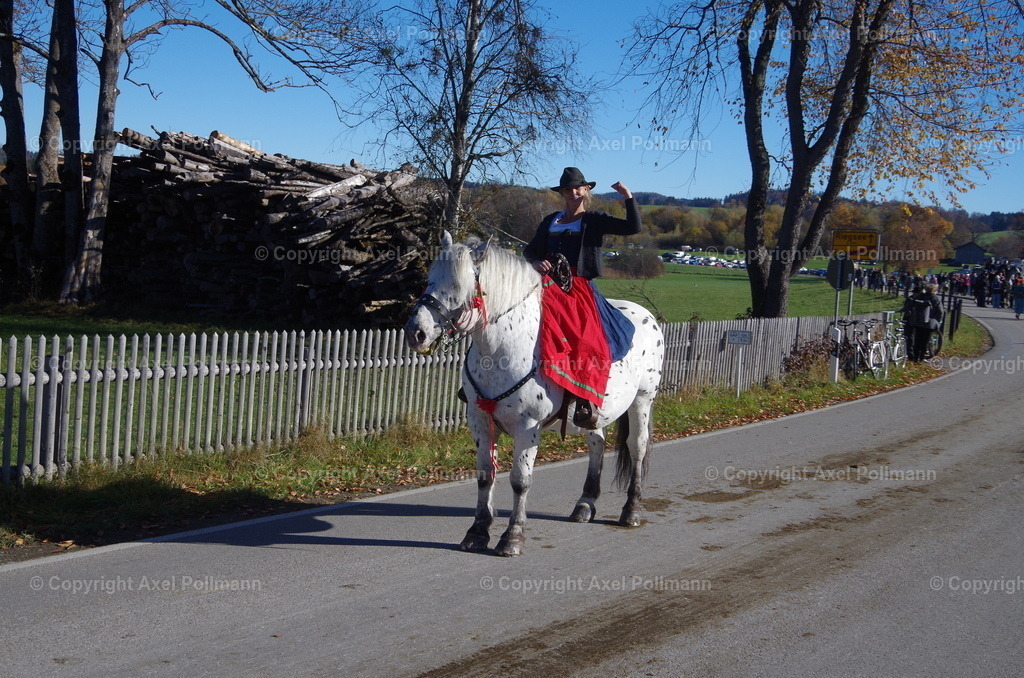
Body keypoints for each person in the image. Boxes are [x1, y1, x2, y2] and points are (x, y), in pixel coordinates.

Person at [523, 167, 641, 428]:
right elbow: (530, 251)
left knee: (587, 337)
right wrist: (536, 261)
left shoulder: (594, 220)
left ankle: (585, 395)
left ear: (586, 191)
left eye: (578, 188)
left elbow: (633, 227)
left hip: (578, 287)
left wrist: (628, 198)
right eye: (568, 189)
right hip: (546, 283)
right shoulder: (550, 220)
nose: (573, 192)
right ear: (562, 193)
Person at [901, 282, 943, 362]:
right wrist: (939, 321)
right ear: (934, 291)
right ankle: (921, 357)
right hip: (930, 323)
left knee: (917, 340)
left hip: (919, 321)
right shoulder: (935, 298)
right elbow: (940, 311)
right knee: (925, 341)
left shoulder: (921, 297)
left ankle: (915, 357)